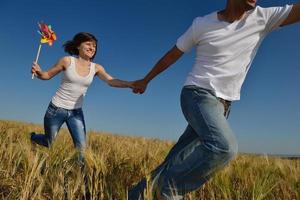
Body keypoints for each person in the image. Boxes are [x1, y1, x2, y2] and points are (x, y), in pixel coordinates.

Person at [129, 0, 300, 199]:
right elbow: (172, 54)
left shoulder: (264, 17)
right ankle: (168, 190)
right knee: (224, 147)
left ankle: (136, 195)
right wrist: (146, 80)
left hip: (223, 105)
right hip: (197, 94)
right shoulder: (201, 23)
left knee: (178, 158)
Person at [30, 32, 133, 165]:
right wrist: (38, 72)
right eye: (88, 44)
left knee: (82, 151)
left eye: (94, 46)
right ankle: (33, 137)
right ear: (78, 46)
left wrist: (130, 84)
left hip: (76, 113)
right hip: (56, 109)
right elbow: (47, 75)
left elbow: (111, 81)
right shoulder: (67, 61)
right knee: (48, 142)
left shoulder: (96, 68)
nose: (92, 48)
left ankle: (81, 179)